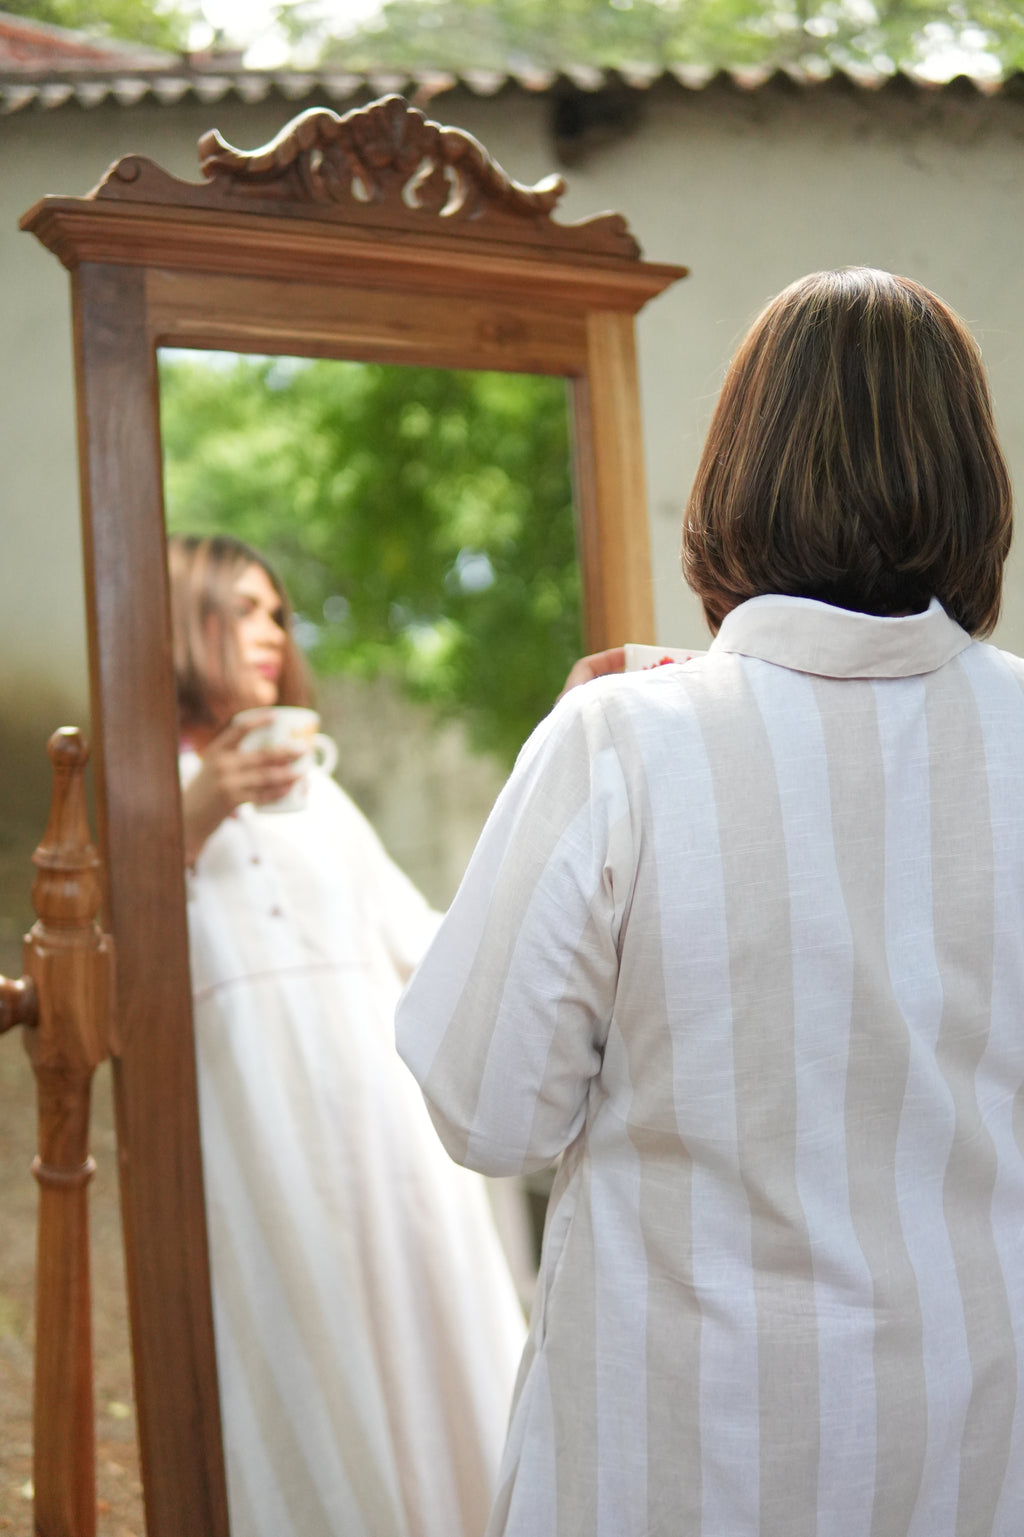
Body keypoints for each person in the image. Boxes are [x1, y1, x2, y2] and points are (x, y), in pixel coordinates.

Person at [395, 269, 1024, 1536]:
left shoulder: (620, 743)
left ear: (736, 479)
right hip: (972, 1440)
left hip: (669, 1451)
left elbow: (488, 1108)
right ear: (976, 486)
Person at [168, 532, 530, 1537]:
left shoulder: (317, 791)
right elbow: (119, 957)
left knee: (430, 1336)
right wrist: (189, 817)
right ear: (178, 618)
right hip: (256, 1124)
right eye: (240, 608)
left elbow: (420, 941)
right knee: (307, 1341)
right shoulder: (142, 785)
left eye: (278, 613)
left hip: (384, 1121)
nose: (270, 632)